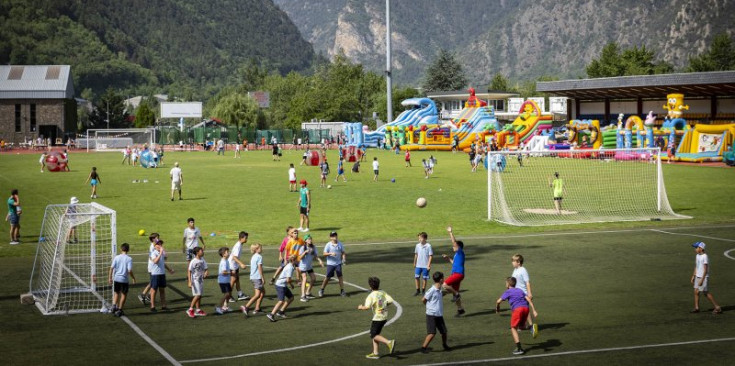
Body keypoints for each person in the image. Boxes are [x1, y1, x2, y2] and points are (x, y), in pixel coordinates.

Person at [495, 277, 539, 355]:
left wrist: (497, 307)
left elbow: (498, 301)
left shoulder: (508, 291)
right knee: (521, 327)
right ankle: (531, 327)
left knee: (513, 328)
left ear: (508, 284)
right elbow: (528, 299)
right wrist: (534, 310)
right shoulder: (520, 290)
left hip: (518, 310)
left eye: (506, 283)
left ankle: (519, 348)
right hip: (525, 309)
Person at [358, 277, 396, 359]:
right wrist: (383, 305)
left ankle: (389, 342)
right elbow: (390, 300)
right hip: (384, 316)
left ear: (370, 286)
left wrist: (361, 307)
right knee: (376, 334)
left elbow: (367, 307)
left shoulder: (371, 295)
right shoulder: (382, 292)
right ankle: (375, 353)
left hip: (377, 318)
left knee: (373, 335)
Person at [421, 271, 450, 353]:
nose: (444, 279)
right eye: (443, 278)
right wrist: (429, 307)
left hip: (439, 315)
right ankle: (423, 348)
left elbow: (439, 295)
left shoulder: (439, 289)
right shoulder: (432, 290)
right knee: (432, 333)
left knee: (444, 331)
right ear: (441, 280)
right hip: (431, 315)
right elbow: (423, 300)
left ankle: (444, 345)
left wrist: (448, 292)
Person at [690, 242, 722, 314]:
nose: (695, 249)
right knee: (696, 291)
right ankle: (696, 308)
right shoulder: (697, 255)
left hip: (703, 277)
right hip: (698, 276)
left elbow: (705, 269)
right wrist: (693, 276)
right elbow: (696, 266)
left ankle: (717, 307)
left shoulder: (705, 256)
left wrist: (702, 279)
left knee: (705, 292)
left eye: (696, 248)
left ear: (701, 248)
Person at [441, 226, 465, 316]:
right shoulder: (457, 255)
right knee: (454, 293)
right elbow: (454, 263)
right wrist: (448, 258)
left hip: (458, 274)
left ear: (458, 247)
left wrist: (450, 232)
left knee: (445, 285)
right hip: (457, 274)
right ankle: (460, 309)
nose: (453, 246)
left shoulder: (460, 252)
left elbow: (454, 242)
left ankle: (456, 293)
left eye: (454, 246)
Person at [108, 242, 136, 317]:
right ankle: (120, 310)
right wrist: (133, 278)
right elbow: (129, 270)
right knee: (124, 294)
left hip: (116, 278)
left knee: (116, 293)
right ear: (128, 250)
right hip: (124, 280)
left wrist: (110, 278)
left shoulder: (117, 257)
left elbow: (111, 268)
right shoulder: (129, 259)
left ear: (121, 249)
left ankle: (114, 306)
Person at [267, 255, 297, 322]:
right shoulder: (290, 268)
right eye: (296, 260)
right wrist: (295, 281)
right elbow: (288, 280)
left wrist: (291, 284)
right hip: (280, 285)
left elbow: (287, 279)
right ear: (293, 260)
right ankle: (271, 314)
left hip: (283, 285)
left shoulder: (290, 265)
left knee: (291, 298)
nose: (297, 261)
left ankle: (281, 312)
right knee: (281, 301)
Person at [318, 231, 347, 298]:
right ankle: (321, 289)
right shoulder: (328, 245)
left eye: (335, 235)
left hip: (338, 263)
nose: (335, 237)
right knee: (327, 277)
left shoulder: (340, 244)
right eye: (333, 236)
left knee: (340, 276)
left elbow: (343, 252)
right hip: (330, 264)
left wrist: (343, 259)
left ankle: (342, 290)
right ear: (330, 237)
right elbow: (324, 253)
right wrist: (331, 253)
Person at [149, 240, 175, 312]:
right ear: (155, 245)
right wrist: (160, 253)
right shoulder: (153, 253)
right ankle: (152, 306)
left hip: (162, 274)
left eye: (160, 244)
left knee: (162, 290)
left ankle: (164, 306)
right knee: (154, 290)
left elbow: (163, 263)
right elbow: (155, 261)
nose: (159, 245)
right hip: (155, 274)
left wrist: (169, 269)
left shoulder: (161, 253)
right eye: (158, 244)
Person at [241, 243, 266, 316]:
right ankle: (246, 307)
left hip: (253, 277)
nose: (261, 249)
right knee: (257, 295)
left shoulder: (254, 256)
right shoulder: (259, 257)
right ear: (256, 249)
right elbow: (259, 267)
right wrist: (262, 277)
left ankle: (257, 308)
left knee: (263, 292)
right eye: (260, 248)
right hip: (257, 277)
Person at [298, 234, 324, 302]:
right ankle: (303, 296)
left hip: (309, 266)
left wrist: (320, 260)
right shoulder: (302, 248)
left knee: (313, 278)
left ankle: (308, 293)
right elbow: (299, 258)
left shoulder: (313, 247)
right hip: (303, 266)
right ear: (305, 240)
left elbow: (315, 256)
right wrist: (304, 252)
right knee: (304, 279)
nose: (310, 240)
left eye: (310, 239)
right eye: (308, 239)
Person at [511, 254, 534, 327]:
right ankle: (522, 325)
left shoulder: (523, 270)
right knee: (519, 309)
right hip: (517, 293)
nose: (512, 262)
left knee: (525, 310)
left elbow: (527, 282)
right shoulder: (515, 270)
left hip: (523, 294)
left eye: (513, 261)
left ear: (518, 262)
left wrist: (529, 293)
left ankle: (530, 325)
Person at [186, 246, 209, 318]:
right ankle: (190, 309)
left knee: (200, 295)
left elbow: (206, 269)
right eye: (201, 251)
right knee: (197, 295)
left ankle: (198, 310)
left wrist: (206, 273)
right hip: (194, 280)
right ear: (197, 252)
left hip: (201, 280)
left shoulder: (202, 260)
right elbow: (189, 271)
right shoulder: (193, 261)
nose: (203, 252)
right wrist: (189, 281)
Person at [138, 233, 160, 305]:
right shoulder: (152, 247)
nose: (158, 239)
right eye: (157, 238)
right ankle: (143, 295)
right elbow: (152, 257)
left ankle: (149, 296)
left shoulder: (155, 245)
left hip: (154, 266)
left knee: (154, 282)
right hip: (152, 267)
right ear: (153, 239)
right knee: (153, 282)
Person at [229, 231, 250, 302]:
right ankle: (228, 296)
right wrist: (241, 264)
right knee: (233, 280)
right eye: (246, 238)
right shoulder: (238, 246)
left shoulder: (240, 244)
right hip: (232, 266)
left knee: (237, 279)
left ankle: (240, 294)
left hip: (235, 265)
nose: (246, 239)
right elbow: (234, 257)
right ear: (241, 238)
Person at [413, 232, 433, 296]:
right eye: (419, 238)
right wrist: (414, 262)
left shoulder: (428, 246)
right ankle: (417, 290)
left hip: (425, 266)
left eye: (420, 238)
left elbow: (430, 256)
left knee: (424, 278)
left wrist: (428, 265)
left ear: (425, 238)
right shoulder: (417, 245)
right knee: (416, 277)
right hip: (418, 265)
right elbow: (416, 254)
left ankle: (423, 290)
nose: (419, 239)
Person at [215, 247, 233, 315]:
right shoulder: (223, 262)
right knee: (227, 294)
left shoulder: (226, 261)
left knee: (228, 294)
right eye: (227, 252)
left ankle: (225, 307)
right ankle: (218, 307)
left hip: (226, 281)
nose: (229, 253)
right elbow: (223, 272)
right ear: (223, 254)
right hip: (222, 281)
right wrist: (231, 273)